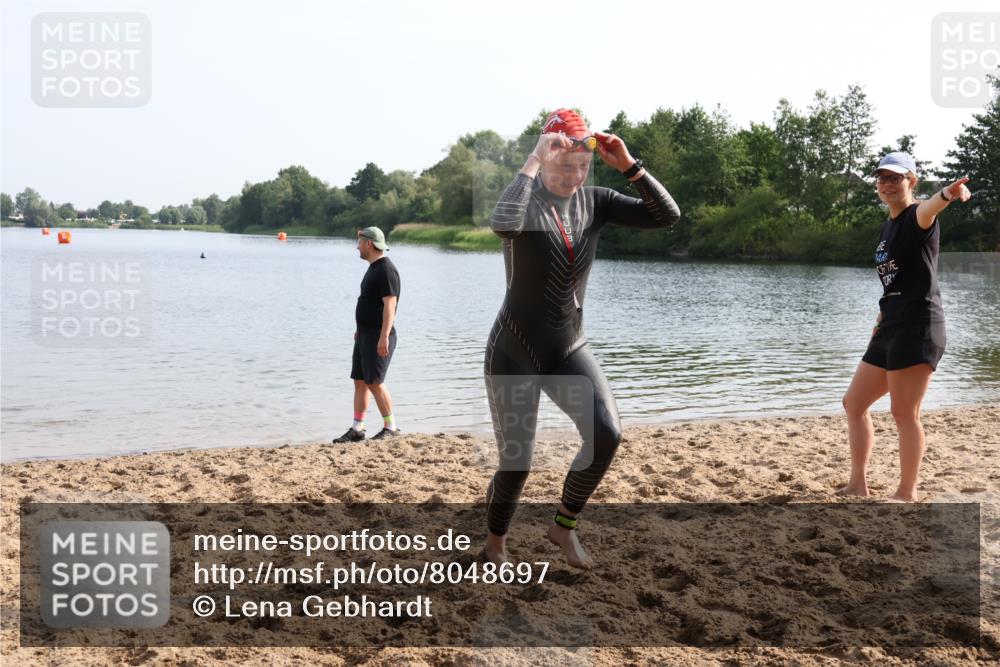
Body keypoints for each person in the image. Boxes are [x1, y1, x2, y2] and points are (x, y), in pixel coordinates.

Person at [483, 109, 680, 568]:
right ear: (548, 157)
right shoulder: (525, 199)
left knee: (607, 434)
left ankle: (563, 526)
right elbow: (501, 222)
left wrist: (629, 166)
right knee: (516, 463)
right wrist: (532, 161)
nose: (574, 175)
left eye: (581, 167)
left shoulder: (597, 201)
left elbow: (665, 215)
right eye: (564, 164)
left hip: (570, 345)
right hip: (514, 349)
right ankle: (495, 544)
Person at [839, 151, 971, 502]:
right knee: (854, 403)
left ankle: (906, 492)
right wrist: (879, 321)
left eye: (895, 178)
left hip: (919, 325)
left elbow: (931, 207)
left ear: (911, 180)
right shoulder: (888, 227)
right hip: (891, 324)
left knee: (903, 414)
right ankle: (857, 484)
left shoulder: (917, 216)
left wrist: (948, 193)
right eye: (881, 178)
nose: (886, 184)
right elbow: (893, 282)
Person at [332, 226, 402, 443]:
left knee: (375, 382)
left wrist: (384, 335)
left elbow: (390, 305)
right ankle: (357, 428)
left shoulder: (386, 269)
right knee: (360, 381)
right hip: (365, 334)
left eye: (360, 242)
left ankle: (391, 428)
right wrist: (359, 329)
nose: (357, 246)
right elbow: (371, 304)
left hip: (378, 336)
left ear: (369, 244)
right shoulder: (374, 268)